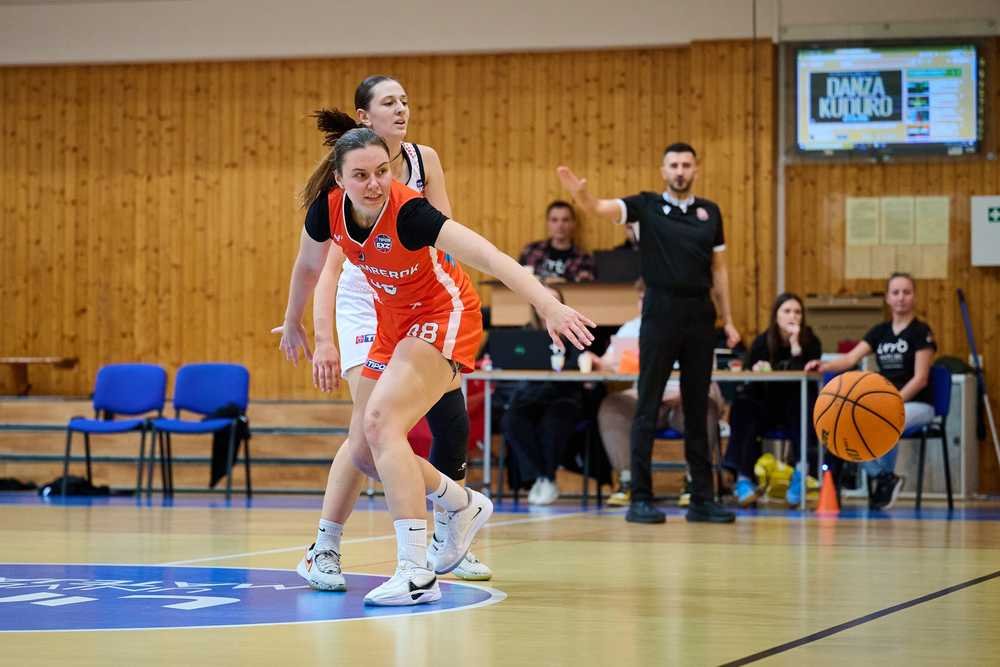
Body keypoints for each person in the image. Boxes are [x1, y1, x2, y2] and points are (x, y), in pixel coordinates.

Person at [280, 126, 594, 606]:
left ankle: (415, 572)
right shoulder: (327, 210)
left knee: (382, 423)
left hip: (444, 315)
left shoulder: (410, 213)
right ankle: (460, 503)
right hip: (393, 322)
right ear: (339, 180)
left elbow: (488, 256)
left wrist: (549, 305)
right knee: (363, 452)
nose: (374, 184)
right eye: (361, 175)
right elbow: (307, 267)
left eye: (381, 172)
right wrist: (293, 321)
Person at [279, 76, 492, 588]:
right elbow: (323, 269)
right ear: (363, 118)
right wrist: (322, 336)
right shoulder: (348, 182)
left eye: (405, 101)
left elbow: (445, 236)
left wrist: (451, 308)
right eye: (389, 103)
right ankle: (327, 546)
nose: (402, 110)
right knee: (370, 432)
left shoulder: (422, 160)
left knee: (451, 422)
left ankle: (451, 533)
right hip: (363, 300)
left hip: (418, 297)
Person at [557, 142, 741, 524]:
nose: (680, 171)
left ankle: (702, 499)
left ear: (696, 169)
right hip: (660, 312)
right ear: (663, 171)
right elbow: (601, 208)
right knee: (648, 401)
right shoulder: (646, 206)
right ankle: (640, 497)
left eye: (686, 165)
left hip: (700, 314)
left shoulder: (710, 212)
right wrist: (583, 196)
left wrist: (729, 318)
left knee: (697, 405)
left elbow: (719, 269)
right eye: (673, 165)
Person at [583, 280, 725, 507]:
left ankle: (694, 482)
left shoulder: (694, 328)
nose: (645, 303)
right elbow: (607, 363)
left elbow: (709, 373)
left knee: (705, 407)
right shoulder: (631, 329)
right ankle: (628, 480)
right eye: (641, 299)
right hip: (645, 401)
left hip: (684, 399)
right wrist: (592, 360)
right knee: (611, 406)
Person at [806, 272, 936, 510]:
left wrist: (892, 404)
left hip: (918, 404)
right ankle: (884, 477)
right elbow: (850, 359)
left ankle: (879, 476)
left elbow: (921, 379)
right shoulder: (880, 332)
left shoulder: (921, 332)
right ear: (887, 298)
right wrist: (823, 365)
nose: (901, 297)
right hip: (886, 404)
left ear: (914, 297)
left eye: (906, 292)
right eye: (895, 292)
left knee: (886, 420)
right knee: (849, 423)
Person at [722, 293, 822, 508]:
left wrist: (795, 347)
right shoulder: (762, 342)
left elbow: (805, 376)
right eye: (787, 311)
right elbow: (749, 379)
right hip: (767, 406)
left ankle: (801, 473)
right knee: (743, 406)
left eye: (797, 312)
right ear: (776, 316)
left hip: (797, 408)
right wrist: (756, 370)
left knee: (802, 403)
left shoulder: (811, 342)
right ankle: (744, 478)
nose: (793, 316)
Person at [501, 286, 584, 505]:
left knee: (553, 422)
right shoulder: (525, 333)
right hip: (531, 396)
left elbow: (579, 364)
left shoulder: (574, 332)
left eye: (554, 300)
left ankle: (545, 478)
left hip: (563, 396)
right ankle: (544, 477)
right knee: (512, 420)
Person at [518, 200, 595, 283]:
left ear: (573, 223)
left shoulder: (583, 259)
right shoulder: (531, 251)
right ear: (548, 223)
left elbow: (586, 287)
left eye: (565, 220)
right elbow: (518, 279)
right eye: (554, 220)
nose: (560, 225)